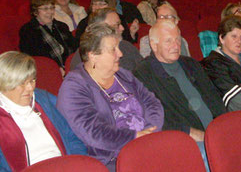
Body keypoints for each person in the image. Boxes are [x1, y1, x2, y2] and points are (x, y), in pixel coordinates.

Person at [57, 23, 163, 171]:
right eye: (113, 49)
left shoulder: (123, 75)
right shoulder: (74, 87)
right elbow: (93, 131)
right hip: (113, 160)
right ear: (93, 55)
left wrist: (149, 131)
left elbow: (152, 102)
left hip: (147, 144)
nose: (120, 54)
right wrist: (134, 137)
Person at [0, 51, 86, 172]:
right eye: (22, 83)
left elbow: (71, 138)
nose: (31, 88)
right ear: (1, 84)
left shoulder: (44, 99)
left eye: (32, 80)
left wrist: (78, 166)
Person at [133, 20, 226, 171]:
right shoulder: (143, 74)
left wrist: (222, 127)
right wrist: (190, 132)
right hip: (185, 140)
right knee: (207, 154)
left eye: (178, 39)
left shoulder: (191, 64)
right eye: (168, 41)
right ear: (153, 44)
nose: (176, 45)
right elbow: (153, 120)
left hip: (215, 132)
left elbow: (215, 99)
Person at [19, 0, 77, 75]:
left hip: (70, 70)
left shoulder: (62, 26)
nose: (50, 12)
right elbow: (32, 59)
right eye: (45, 9)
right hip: (46, 72)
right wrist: (55, 69)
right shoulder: (28, 31)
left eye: (52, 8)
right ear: (35, 11)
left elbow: (73, 49)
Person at [70, 7, 143, 72]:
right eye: (117, 25)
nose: (122, 28)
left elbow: (146, 74)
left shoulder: (126, 46)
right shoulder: (83, 58)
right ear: (101, 29)